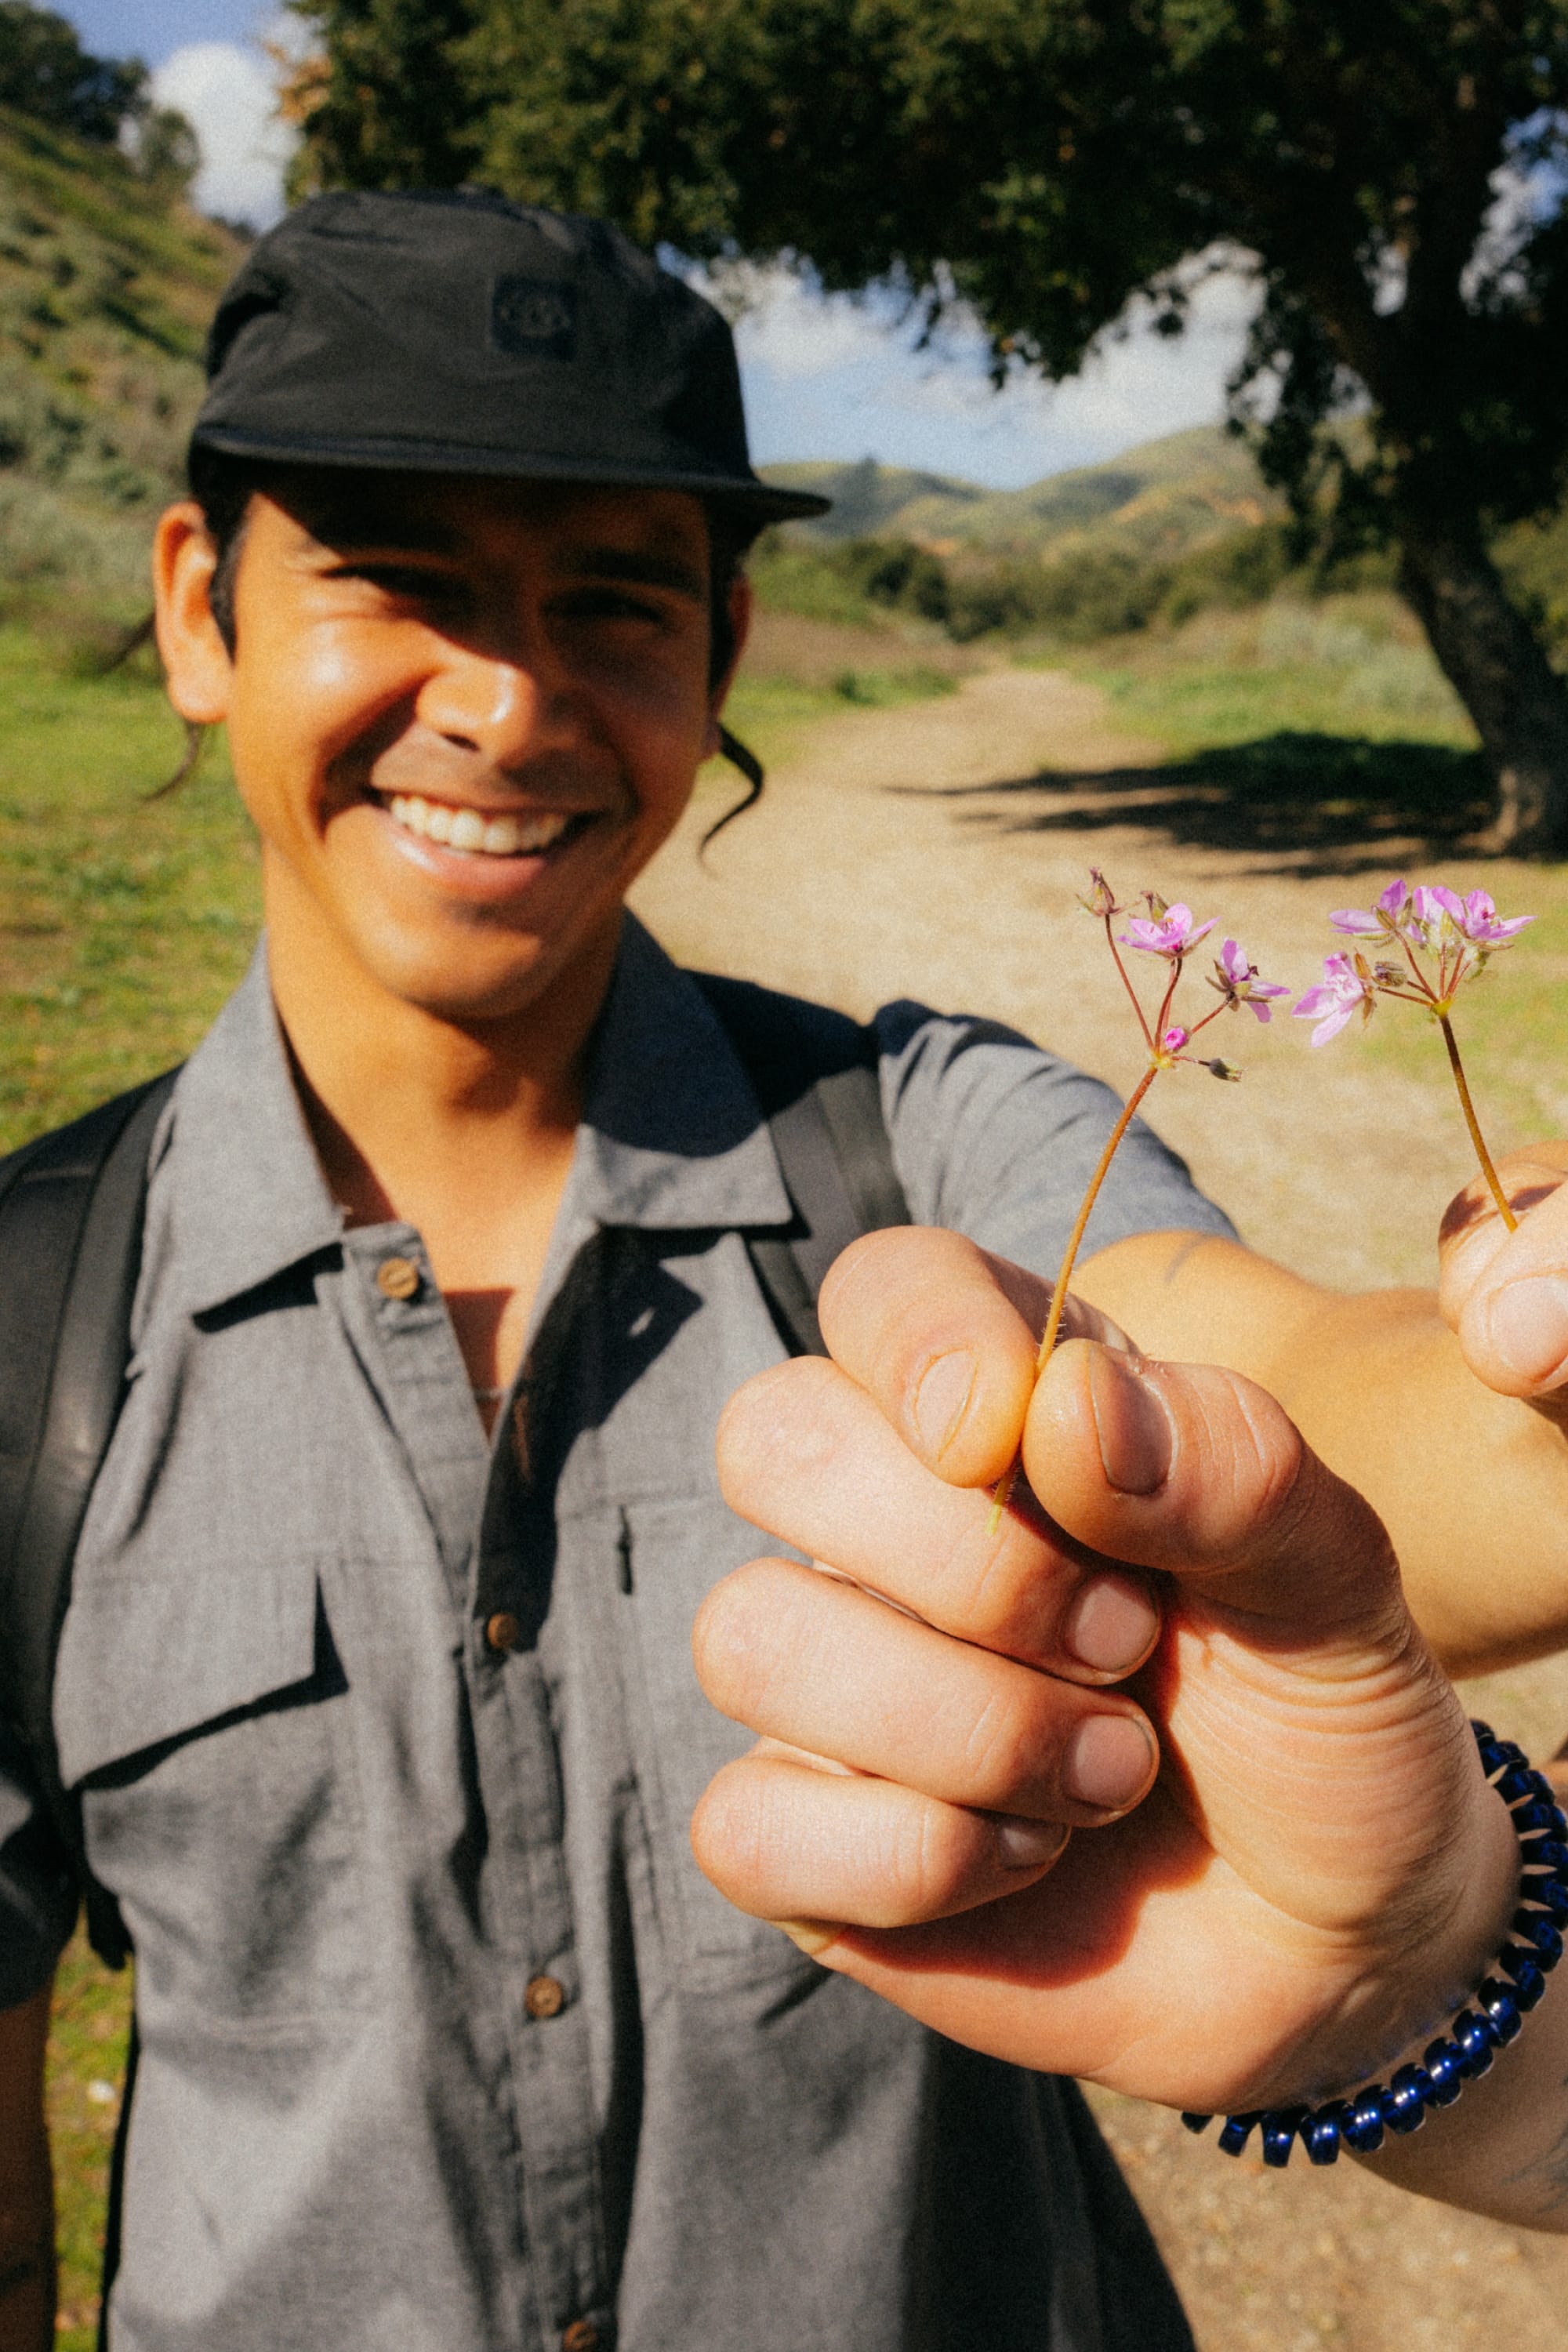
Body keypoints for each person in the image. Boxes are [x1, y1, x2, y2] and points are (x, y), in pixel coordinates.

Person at [2, 184, 1567, 2352]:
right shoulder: (25, 1331)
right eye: (403, 583)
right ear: (201, 608)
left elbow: (1293, 1394)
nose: (511, 699)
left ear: (724, 650)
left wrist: (1536, 1395)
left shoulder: (914, 1140)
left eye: (616, 605)